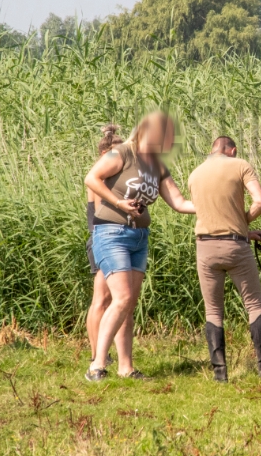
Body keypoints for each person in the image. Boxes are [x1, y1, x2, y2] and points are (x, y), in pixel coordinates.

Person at [83, 111, 195, 381]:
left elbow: (180, 203)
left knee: (128, 303)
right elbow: (91, 178)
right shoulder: (123, 153)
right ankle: (96, 365)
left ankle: (126, 367)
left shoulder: (158, 166)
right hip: (111, 232)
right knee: (120, 298)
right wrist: (119, 203)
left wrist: (217, 203)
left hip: (138, 238)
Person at [187, 136, 261, 382]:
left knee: (213, 311)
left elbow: (211, 212)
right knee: (254, 305)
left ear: (213, 149)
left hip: (205, 249)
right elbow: (260, 201)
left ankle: (220, 374)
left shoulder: (195, 174)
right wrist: (243, 223)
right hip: (236, 248)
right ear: (231, 150)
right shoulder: (240, 165)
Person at [85, 124, 125, 365]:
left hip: (103, 238)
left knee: (106, 298)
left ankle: (101, 354)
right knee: (101, 298)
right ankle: (97, 355)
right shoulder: (99, 177)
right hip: (102, 238)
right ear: (104, 155)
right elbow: (103, 211)